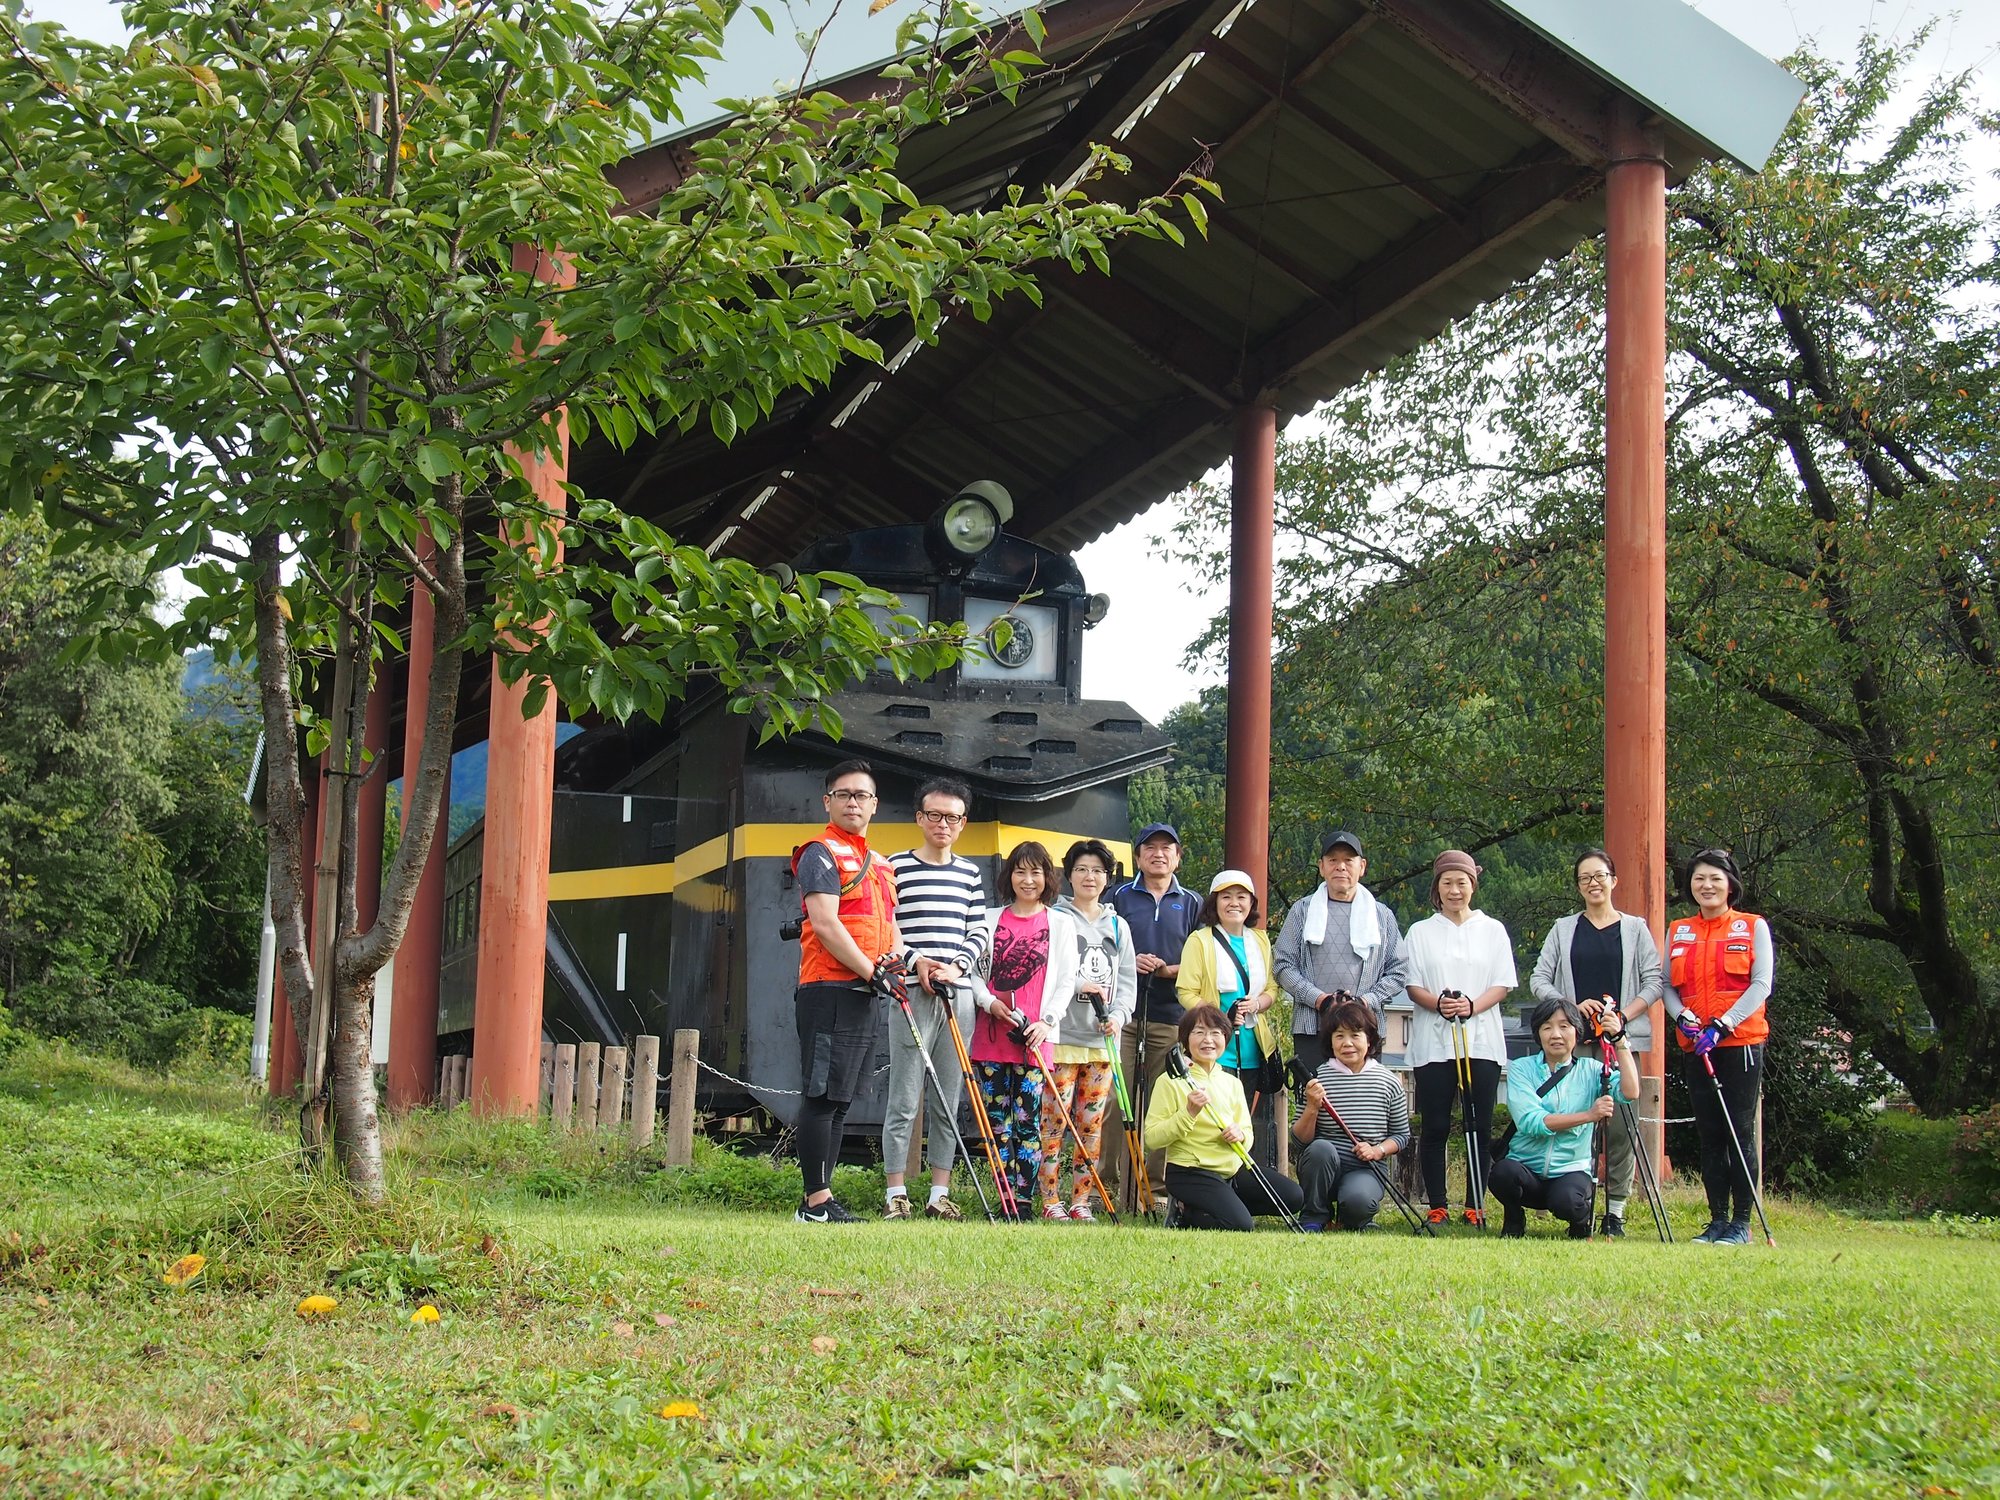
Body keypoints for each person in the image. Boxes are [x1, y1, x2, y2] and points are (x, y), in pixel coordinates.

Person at [1528, 848, 1664, 1237]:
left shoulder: (1635, 929)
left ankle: (1615, 1210)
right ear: (1578, 886)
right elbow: (1539, 979)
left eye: (1600, 875)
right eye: (1585, 878)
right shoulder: (1563, 928)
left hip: (1620, 1042)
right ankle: (1577, 1204)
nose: (1593, 883)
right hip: (1574, 1042)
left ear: (1613, 880)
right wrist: (1569, 1006)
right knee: (1575, 1121)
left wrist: (1623, 1017)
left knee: (1621, 1125)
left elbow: (1655, 981)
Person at [791, 759, 903, 1225]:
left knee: (840, 1100)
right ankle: (814, 1202)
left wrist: (899, 965)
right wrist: (873, 972)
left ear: (874, 805)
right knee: (822, 1097)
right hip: (828, 987)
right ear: (828, 802)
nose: (853, 802)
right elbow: (824, 923)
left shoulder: (881, 864)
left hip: (864, 991)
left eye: (862, 795)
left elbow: (890, 926)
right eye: (844, 794)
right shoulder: (820, 853)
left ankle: (822, 1199)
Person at [882, 777, 986, 1221]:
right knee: (904, 1097)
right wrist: (916, 960)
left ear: (963, 823)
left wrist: (958, 967)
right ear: (919, 817)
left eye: (953, 817)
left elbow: (978, 931)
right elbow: (886, 926)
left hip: (957, 995)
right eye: (935, 815)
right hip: (910, 991)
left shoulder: (970, 873)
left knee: (948, 1096)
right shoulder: (895, 867)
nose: (944, 824)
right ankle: (895, 1193)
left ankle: (938, 1194)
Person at [1663, 847, 1773, 1247]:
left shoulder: (1752, 926)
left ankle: (1742, 1223)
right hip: (1697, 1046)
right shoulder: (1678, 929)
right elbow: (1666, 985)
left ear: (1730, 884)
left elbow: (1761, 984)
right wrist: (1682, 1017)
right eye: (1699, 878)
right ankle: (1717, 1221)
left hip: (1739, 1043)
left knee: (1739, 1132)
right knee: (1709, 1135)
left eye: (1715, 878)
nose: (1706, 885)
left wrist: (1724, 1025)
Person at [968, 841, 1083, 1217]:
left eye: (1036, 872)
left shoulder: (1061, 923)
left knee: (1028, 1122)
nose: (1028, 880)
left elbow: (1067, 980)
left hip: (1036, 1038)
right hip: (991, 1036)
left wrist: (1047, 1022)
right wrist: (989, 1002)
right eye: (1020, 871)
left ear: (1048, 877)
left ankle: (1024, 1200)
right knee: (997, 1124)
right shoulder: (988, 919)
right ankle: (1004, 1199)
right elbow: (973, 972)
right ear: (1009, 876)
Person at [1403, 849, 1516, 1228]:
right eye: (1447, 883)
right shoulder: (1420, 931)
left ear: (1473, 885)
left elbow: (1502, 983)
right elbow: (1412, 985)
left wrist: (1471, 1006)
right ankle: (1437, 1205)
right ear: (1436, 887)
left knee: (1479, 1124)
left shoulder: (1492, 929)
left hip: (1481, 1039)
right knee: (1434, 1124)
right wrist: (1439, 1003)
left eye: (1462, 882)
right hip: (1432, 1042)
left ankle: (1475, 1205)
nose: (1454, 890)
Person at [1038, 840, 1138, 1221]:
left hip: (1102, 1043)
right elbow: (1049, 971)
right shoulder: (1055, 918)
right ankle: (1050, 1201)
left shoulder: (1118, 926)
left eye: (1097, 870)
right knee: (1053, 1124)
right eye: (1081, 869)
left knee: (1090, 1126)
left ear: (1107, 878)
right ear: (1069, 875)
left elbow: (1126, 981)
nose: (1089, 877)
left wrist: (1120, 1016)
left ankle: (1081, 1201)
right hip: (1061, 1038)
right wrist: (1080, 985)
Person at [1142, 1004, 1306, 1231]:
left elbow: (1247, 1133)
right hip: (1190, 1171)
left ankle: (1217, 1206)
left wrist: (1240, 1135)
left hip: (1232, 1170)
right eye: (1199, 1032)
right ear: (1186, 1039)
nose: (1208, 1040)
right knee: (1241, 1225)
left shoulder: (1232, 1083)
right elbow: (1152, 1138)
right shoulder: (1171, 1081)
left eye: (1215, 1033)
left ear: (1225, 1038)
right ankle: (1184, 1212)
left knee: (1293, 1197)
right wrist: (1188, 1113)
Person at [1491, 996, 1640, 1239]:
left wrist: (1620, 1040)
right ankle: (1514, 1218)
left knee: (1567, 1201)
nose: (1556, 1034)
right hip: (1526, 1169)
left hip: (1571, 1171)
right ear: (1538, 1034)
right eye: (1547, 1027)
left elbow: (1630, 1092)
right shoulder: (1521, 1068)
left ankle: (1580, 1221)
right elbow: (1531, 1122)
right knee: (1502, 1174)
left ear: (1576, 1032)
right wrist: (1589, 1115)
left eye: (1564, 1026)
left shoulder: (1592, 1069)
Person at [1109, 823, 1200, 1210]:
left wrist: (1169, 969)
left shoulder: (1193, 902)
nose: (1158, 854)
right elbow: (1102, 947)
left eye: (1167, 848)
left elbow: (1202, 957)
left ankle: (1155, 1190)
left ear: (1178, 857)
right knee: (1116, 1099)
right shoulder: (1118, 896)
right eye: (1150, 847)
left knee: (1165, 1101)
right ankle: (1106, 1185)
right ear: (1137, 856)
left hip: (1171, 1015)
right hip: (1123, 1012)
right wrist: (1130, 963)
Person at [1272, 831, 1409, 1078]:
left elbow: (1399, 971)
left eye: (1348, 860)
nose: (1341, 867)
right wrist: (1320, 1000)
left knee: (1363, 1097)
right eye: (1333, 860)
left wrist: (1365, 1002)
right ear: (1322, 866)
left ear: (1362, 866)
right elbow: (1283, 965)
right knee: (1315, 1095)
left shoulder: (1382, 915)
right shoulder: (1302, 911)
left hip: (1364, 1028)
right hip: (1312, 1027)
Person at [1289, 998, 1410, 1231]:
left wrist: (1377, 1150)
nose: (1347, 1043)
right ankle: (1314, 1216)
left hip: (1366, 1168)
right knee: (1320, 1149)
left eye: (1355, 1035)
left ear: (1369, 1039)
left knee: (1358, 1203)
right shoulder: (1317, 1079)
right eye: (1339, 1036)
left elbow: (1401, 1136)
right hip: (1323, 1166)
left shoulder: (1388, 1081)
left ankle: (1352, 1219)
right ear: (1330, 1041)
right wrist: (1312, 1107)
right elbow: (1299, 1140)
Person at [1176, 869, 1280, 1112]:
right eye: (1226, 897)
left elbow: (1272, 988)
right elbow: (1186, 992)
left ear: (1251, 903)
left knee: (1245, 1120)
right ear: (1215, 903)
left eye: (1241, 897)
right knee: (1214, 1117)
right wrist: (1219, 1018)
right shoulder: (1199, 940)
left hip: (1253, 1046)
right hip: (1213, 1047)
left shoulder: (1261, 940)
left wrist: (1256, 1004)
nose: (1234, 903)